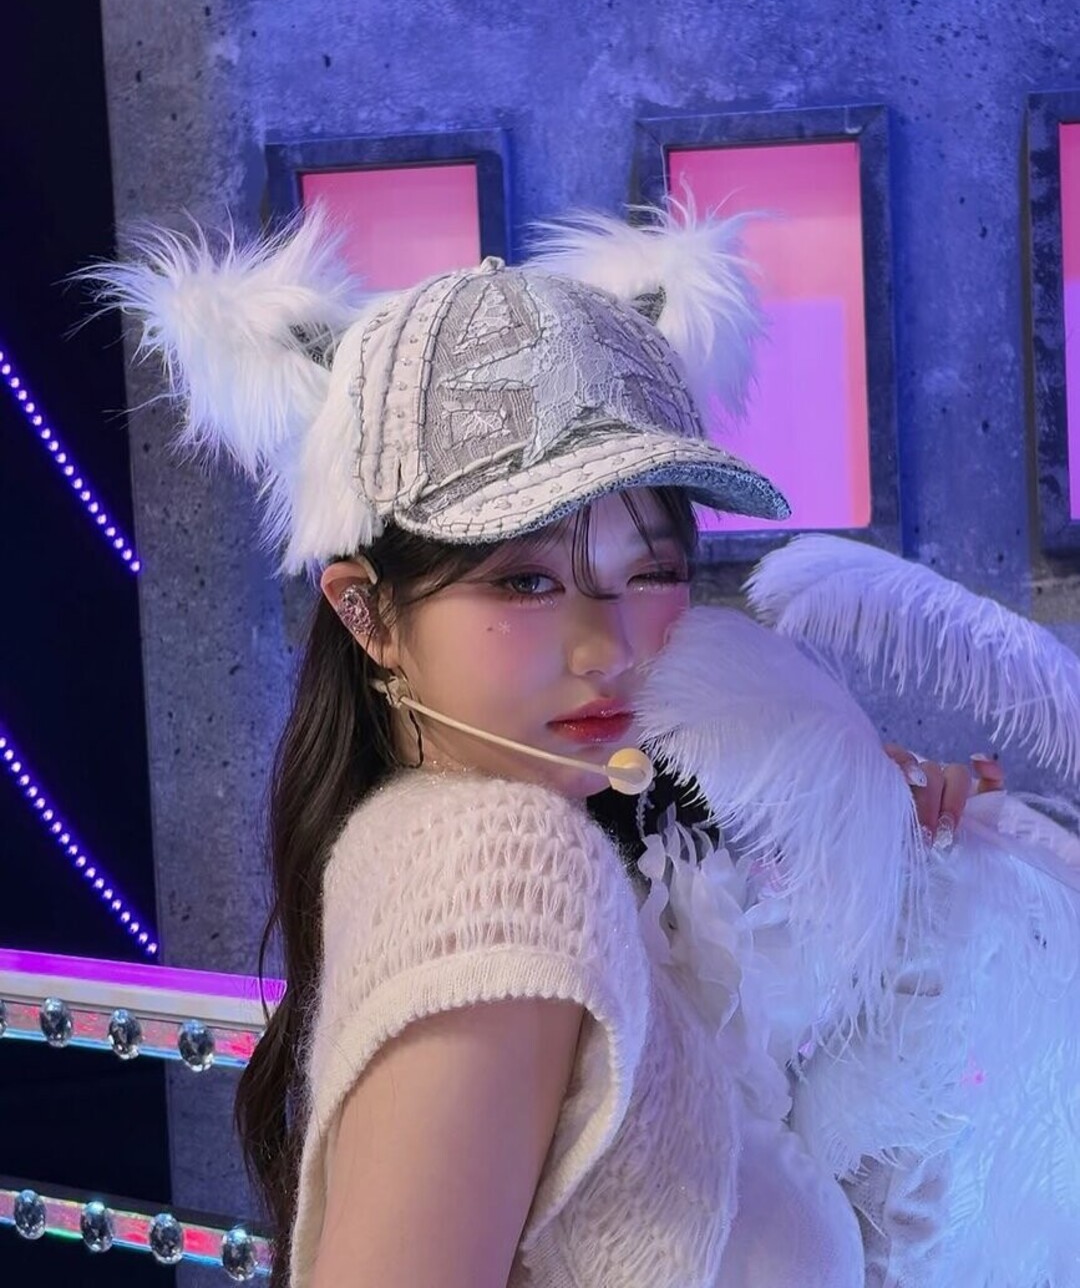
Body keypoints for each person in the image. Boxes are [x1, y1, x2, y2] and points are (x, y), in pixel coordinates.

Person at [98, 204, 1075, 1288]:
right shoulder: (503, 868)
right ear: (367, 614)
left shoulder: (550, 849)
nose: (607, 646)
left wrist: (869, 846)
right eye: (525, 580)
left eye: (650, 571)